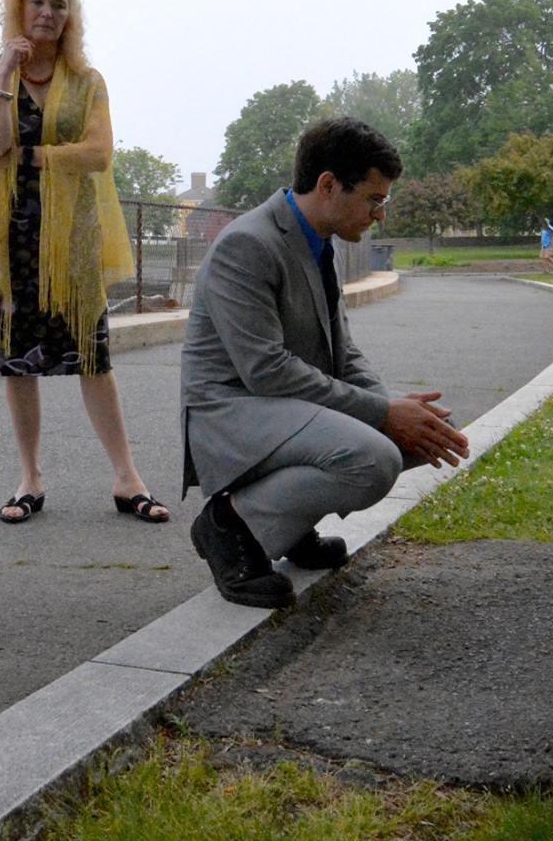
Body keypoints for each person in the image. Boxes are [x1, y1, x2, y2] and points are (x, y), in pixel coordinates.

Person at [180, 118, 470, 607]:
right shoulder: (247, 244)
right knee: (373, 458)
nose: (380, 215)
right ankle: (229, 526)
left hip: (285, 408)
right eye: (375, 199)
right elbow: (266, 370)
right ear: (329, 185)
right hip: (234, 411)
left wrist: (392, 406)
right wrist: (381, 415)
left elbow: (344, 353)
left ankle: (289, 526)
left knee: (432, 431)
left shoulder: (319, 242)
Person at [0, 0, 166, 527]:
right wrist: (7, 68)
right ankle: (30, 478)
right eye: (39, 2)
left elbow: (99, 154)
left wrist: (32, 157)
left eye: (61, 4)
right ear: (19, 9)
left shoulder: (87, 80)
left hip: (71, 239)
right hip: (9, 239)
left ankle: (128, 478)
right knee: (18, 363)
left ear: (72, 17)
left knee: (93, 357)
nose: (49, 13)